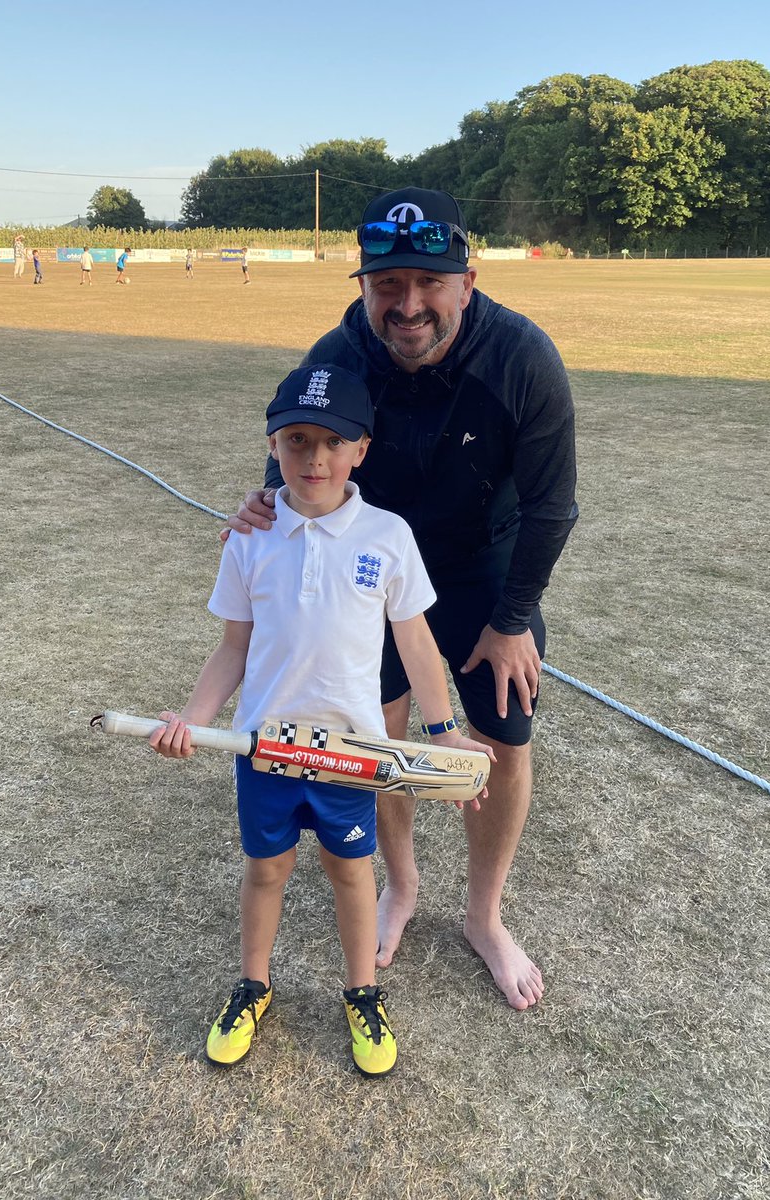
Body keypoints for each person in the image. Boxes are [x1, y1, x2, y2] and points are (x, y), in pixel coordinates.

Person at [227, 186, 578, 1011]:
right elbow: (299, 452)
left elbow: (553, 505)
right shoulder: (338, 354)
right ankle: (402, 883)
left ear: (467, 277)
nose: (408, 305)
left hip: (479, 565)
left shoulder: (522, 358)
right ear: (362, 286)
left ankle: (485, 917)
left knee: (501, 733)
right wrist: (265, 499)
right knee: (374, 733)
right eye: (388, 284)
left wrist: (512, 619)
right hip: (372, 568)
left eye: (429, 282)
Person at [150, 363, 492, 1077]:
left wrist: (441, 731)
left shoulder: (387, 536)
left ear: (361, 449)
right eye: (296, 439)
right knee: (266, 869)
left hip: (352, 754)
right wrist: (192, 718)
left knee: (349, 870)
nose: (314, 458)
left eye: (333, 441)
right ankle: (253, 984)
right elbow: (233, 649)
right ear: (272, 444)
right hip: (264, 748)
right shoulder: (251, 536)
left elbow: (417, 646)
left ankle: (363, 992)